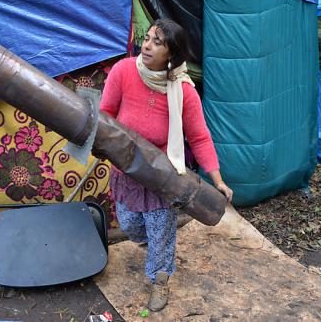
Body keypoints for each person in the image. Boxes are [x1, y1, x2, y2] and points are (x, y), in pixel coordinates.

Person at [100, 19, 233, 312]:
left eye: (157, 42)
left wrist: (218, 180)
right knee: (130, 225)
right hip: (126, 171)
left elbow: (199, 137)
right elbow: (105, 114)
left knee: (159, 230)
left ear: (171, 54)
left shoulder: (183, 91)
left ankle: (160, 276)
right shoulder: (124, 71)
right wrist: (101, 146)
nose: (146, 46)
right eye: (147, 39)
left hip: (163, 177)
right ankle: (162, 248)